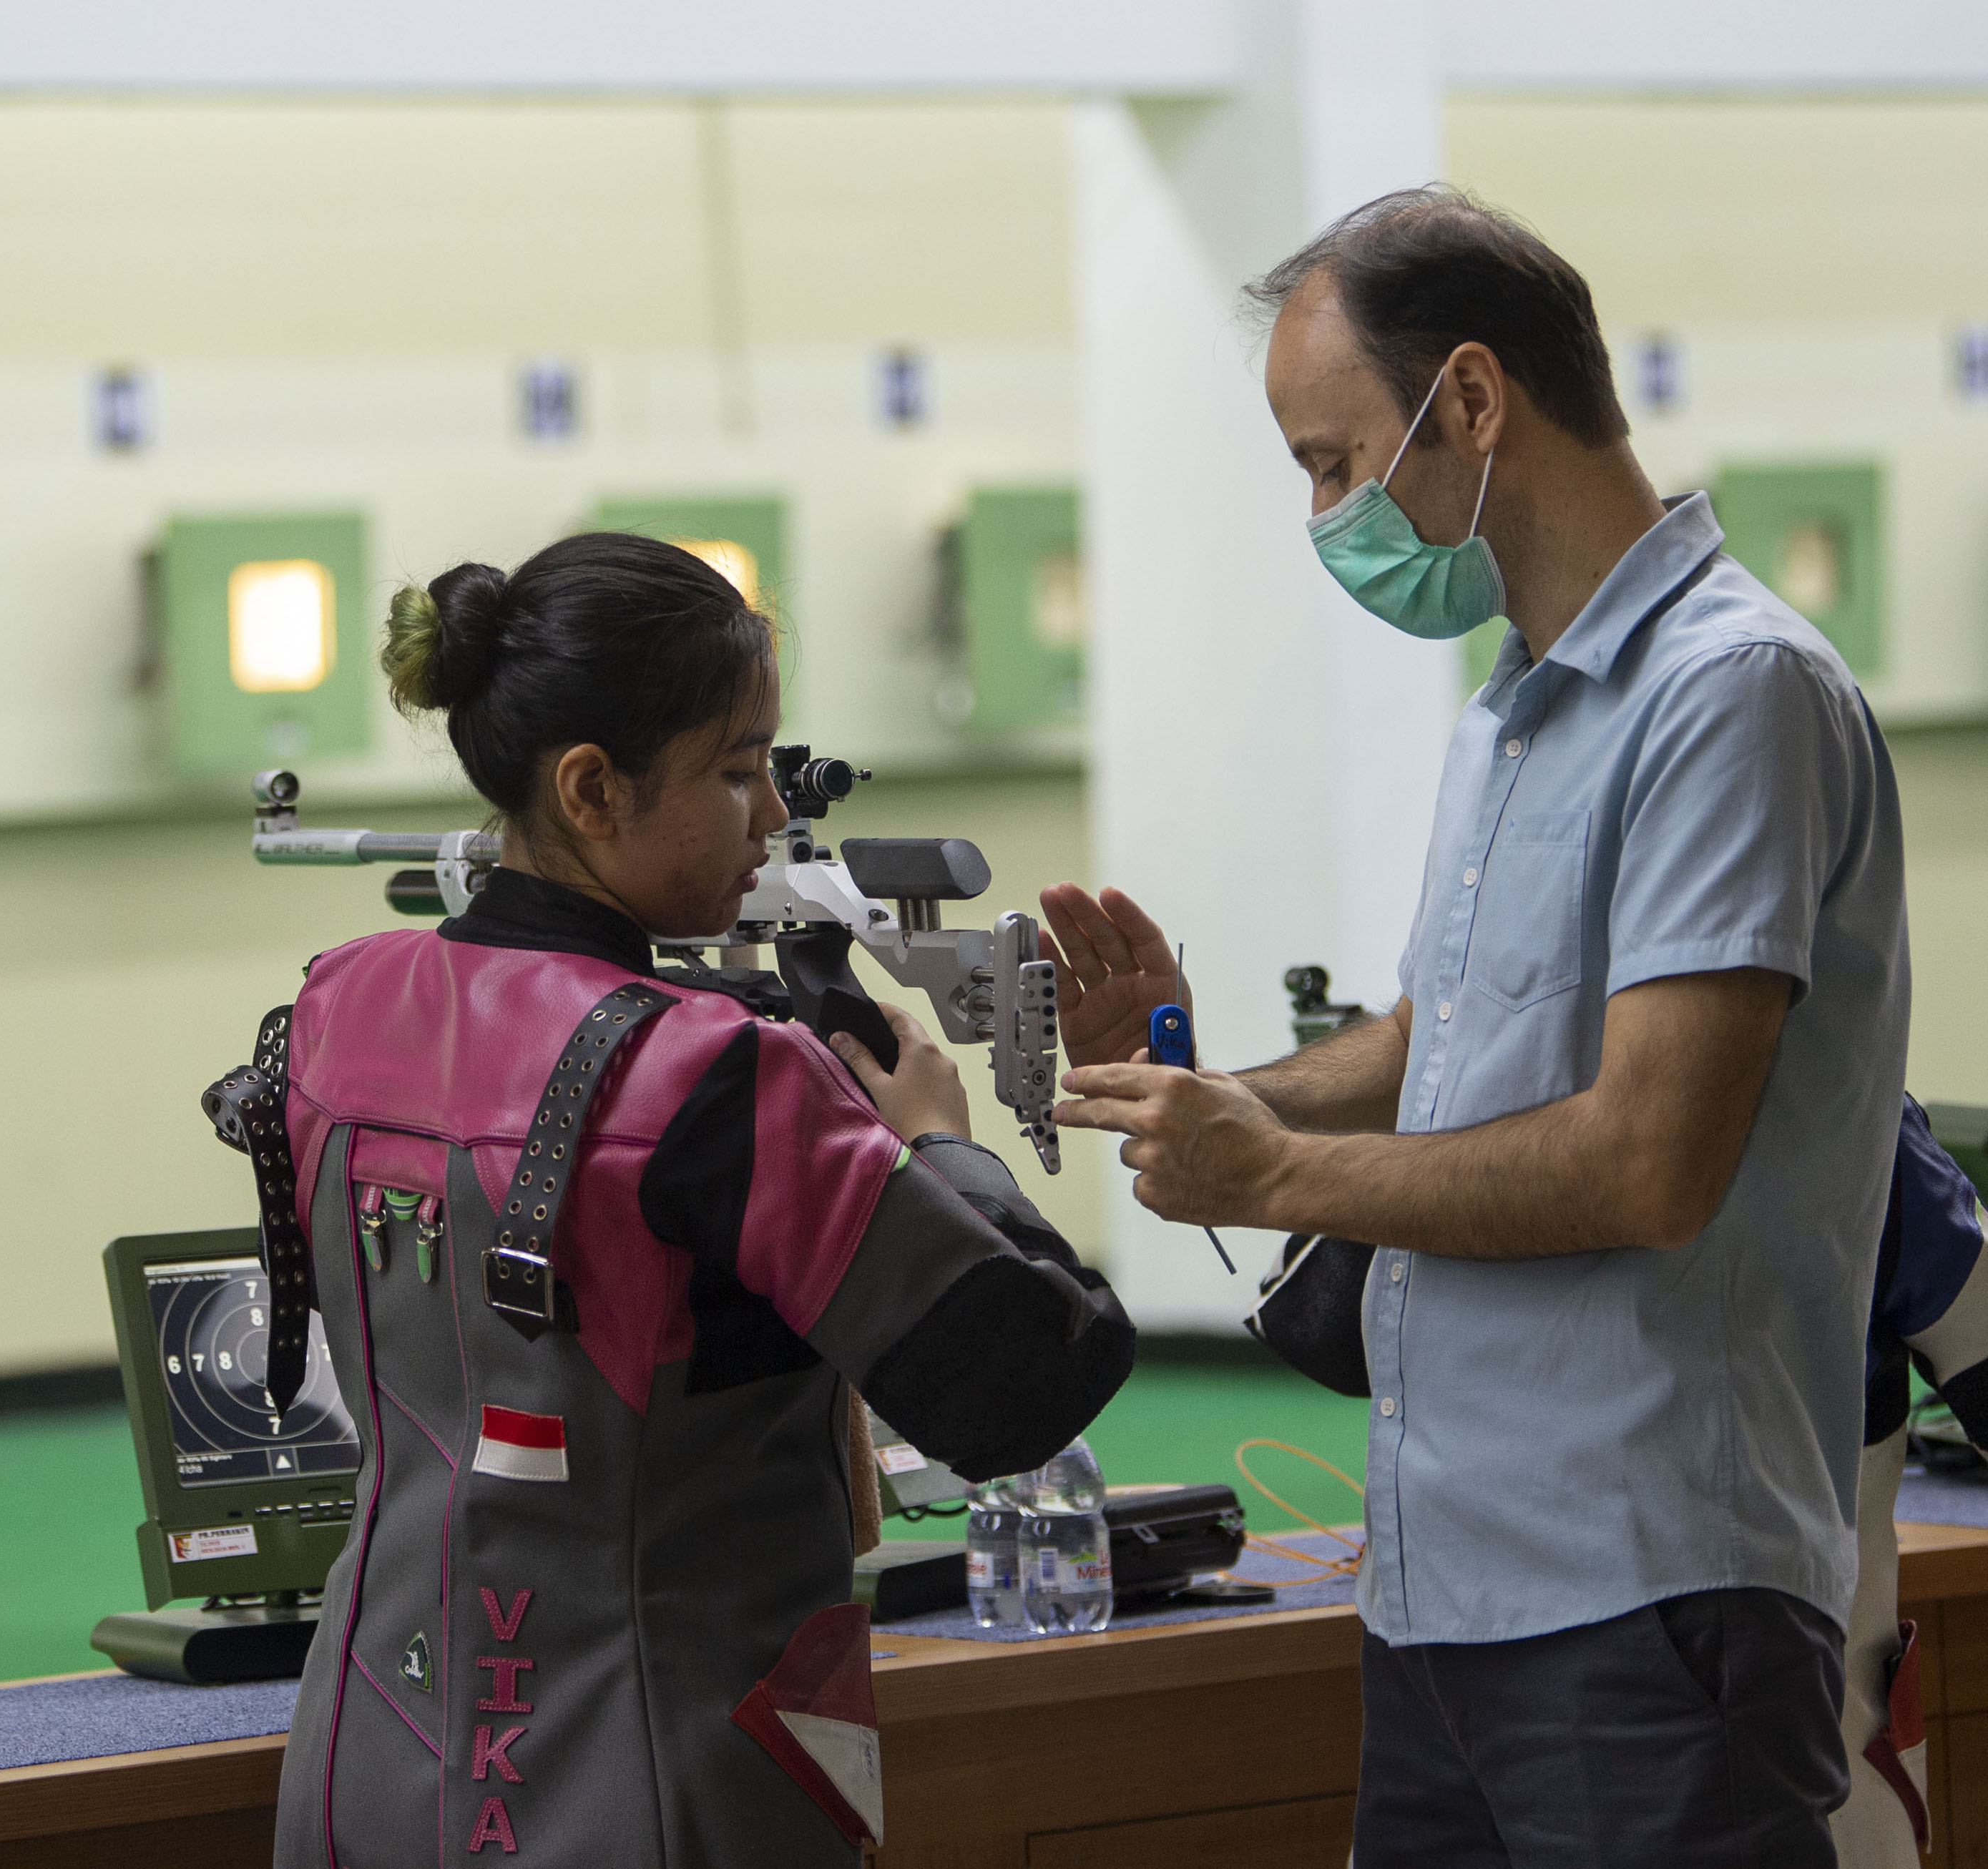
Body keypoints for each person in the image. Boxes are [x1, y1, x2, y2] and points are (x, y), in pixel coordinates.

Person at [1042, 187, 1911, 1867]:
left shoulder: (1729, 694)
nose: (1322, 513)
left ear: (1468, 401)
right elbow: (1445, 1042)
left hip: (1650, 1591)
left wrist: (1277, 1175)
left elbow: (1646, 1158)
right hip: (1451, 1586)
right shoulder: (1515, 712)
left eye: (1327, 458)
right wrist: (1208, 1095)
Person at [256, 531, 1134, 1868]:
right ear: (592, 789)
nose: (772, 816)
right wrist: (939, 1147)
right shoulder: (716, 1078)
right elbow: (1025, 1377)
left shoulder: (339, 1003)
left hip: (366, 1762)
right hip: (655, 1789)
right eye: (735, 772)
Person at [1245, 1096, 1988, 1868]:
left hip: (1763, 1702)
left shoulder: (1829, 1091)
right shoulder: (1455, 1090)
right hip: (1451, 1679)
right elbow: (1316, 1317)